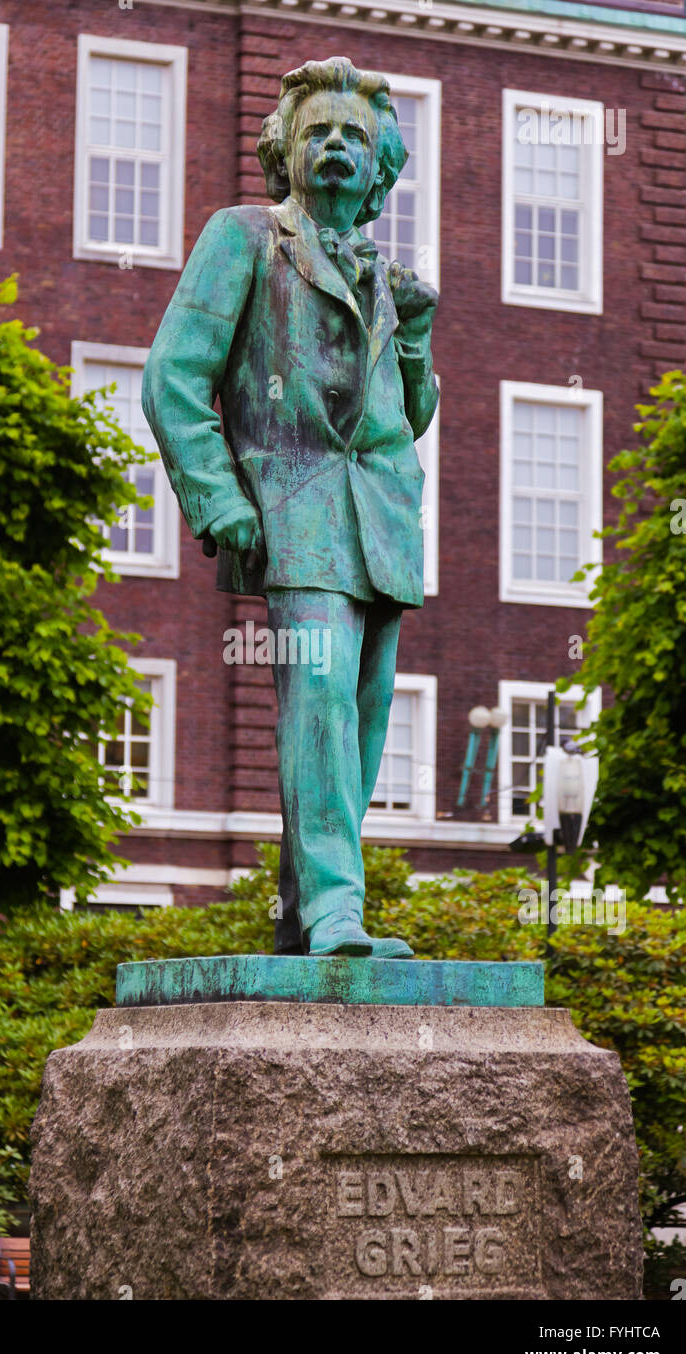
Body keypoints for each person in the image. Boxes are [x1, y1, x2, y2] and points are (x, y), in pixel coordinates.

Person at [142, 57, 439, 957]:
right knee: (316, 700)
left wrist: (417, 339)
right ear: (287, 153)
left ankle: (302, 915)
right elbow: (172, 377)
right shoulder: (242, 237)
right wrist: (215, 494)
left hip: (383, 524)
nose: (340, 149)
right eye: (322, 134)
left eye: (356, 138)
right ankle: (336, 911)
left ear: (382, 170)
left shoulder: (387, 275)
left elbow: (405, 417)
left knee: (360, 717)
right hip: (293, 507)